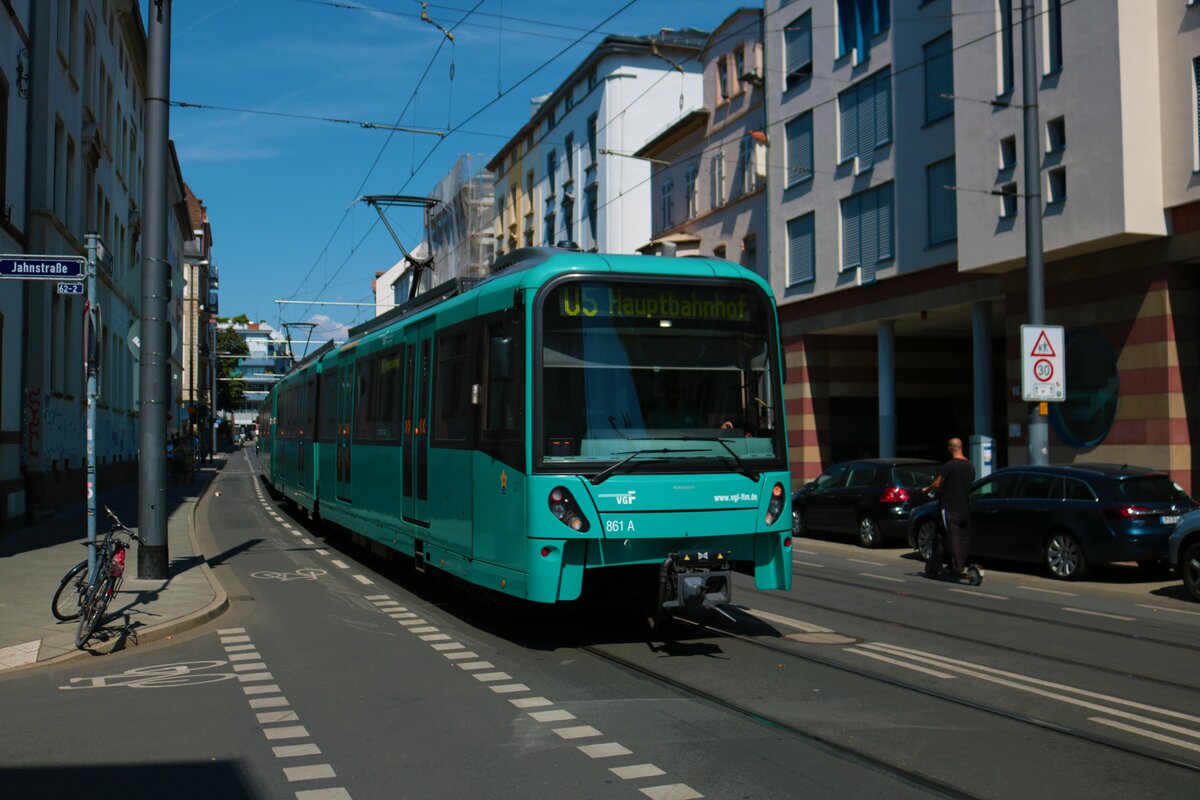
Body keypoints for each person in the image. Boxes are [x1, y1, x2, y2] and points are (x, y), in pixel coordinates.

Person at [924, 437, 975, 577]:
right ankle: (955, 563)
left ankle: (957, 567)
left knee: (953, 536)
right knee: (963, 537)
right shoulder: (970, 466)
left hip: (950, 508)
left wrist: (927, 489)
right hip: (965, 507)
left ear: (951, 448)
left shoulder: (949, 466)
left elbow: (938, 484)